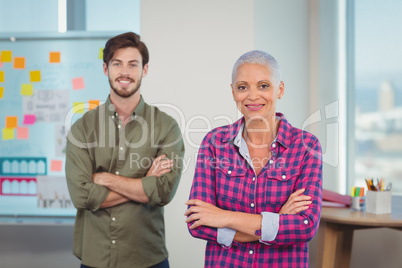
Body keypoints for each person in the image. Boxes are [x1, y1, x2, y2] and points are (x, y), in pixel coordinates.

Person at [185, 50, 322, 267]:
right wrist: (277, 219)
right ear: (233, 92)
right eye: (242, 87)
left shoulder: (307, 146)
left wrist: (223, 217)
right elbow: (197, 223)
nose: (252, 96)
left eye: (264, 85)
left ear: (281, 89)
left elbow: (305, 226)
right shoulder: (214, 143)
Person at [66, 32, 185, 268]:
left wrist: (104, 179)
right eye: (117, 64)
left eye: (133, 64)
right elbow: (81, 196)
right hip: (95, 258)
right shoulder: (82, 128)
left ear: (145, 69)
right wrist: (144, 184)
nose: (124, 72)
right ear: (105, 69)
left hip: (148, 258)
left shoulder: (166, 126)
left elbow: (163, 192)